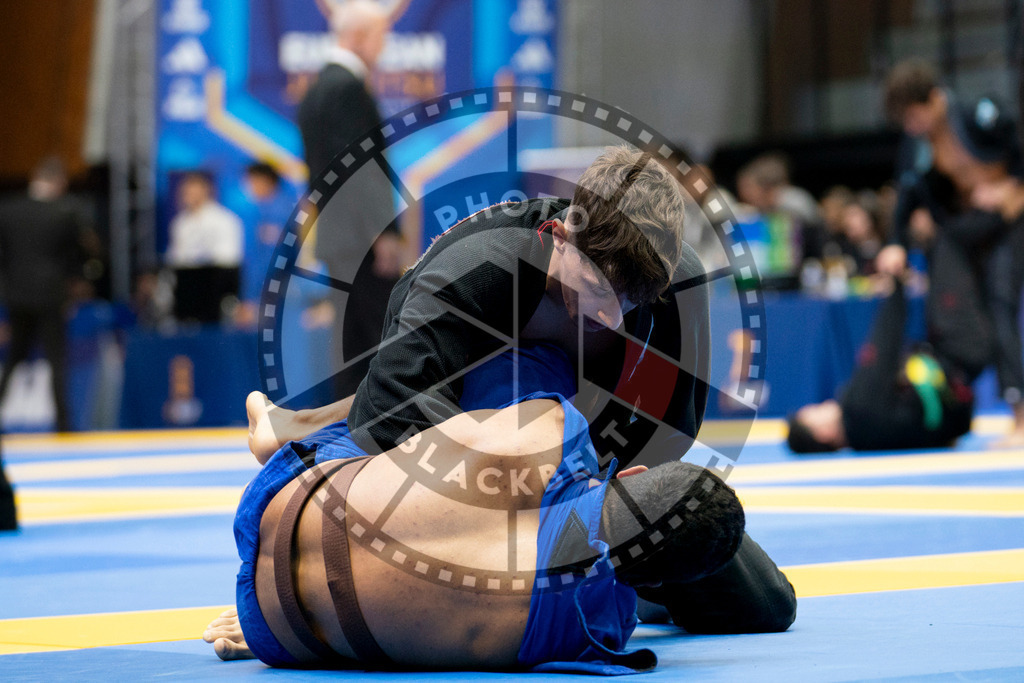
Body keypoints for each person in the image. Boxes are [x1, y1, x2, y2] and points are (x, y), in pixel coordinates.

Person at [204, 344, 749, 673]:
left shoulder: (553, 429)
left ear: (630, 474)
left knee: (520, 359)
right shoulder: (597, 631)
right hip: (278, 628)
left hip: (278, 498)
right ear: (650, 583)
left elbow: (430, 423)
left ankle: (293, 426)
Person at [880, 59, 1024, 446]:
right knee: (961, 317)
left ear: (935, 99)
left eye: (915, 116)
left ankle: (1021, 417)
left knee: (1001, 301)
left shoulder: (980, 115)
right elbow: (905, 197)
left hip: (1011, 219)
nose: (912, 126)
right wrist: (896, 243)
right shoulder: (918, 144)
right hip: (969, 231)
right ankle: (951, 404)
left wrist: (1013, 187)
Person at [297, 0, 408, 398]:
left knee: (352, 346)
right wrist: (384, 233)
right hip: (363, 240)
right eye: (381, 36)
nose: (384, 46)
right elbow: (360, 169)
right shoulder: (346, 89)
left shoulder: (318, 89)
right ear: (359, 36)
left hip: (340, 237)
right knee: (383, 340)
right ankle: (391, 424)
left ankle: (350, 430)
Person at [786, 275, 985, 453]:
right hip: (961, 360)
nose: (823, 404)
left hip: (958, 421)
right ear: (823, 433)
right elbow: (884, 342)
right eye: (816, 411)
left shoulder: (865, 444)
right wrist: (896, 284)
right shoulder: (857, 407)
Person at [0, 157, 91, 432]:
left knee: (13, 357)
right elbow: (78, 255)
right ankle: (63, 424)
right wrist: (74, 286)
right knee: (56, 359)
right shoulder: (66, 212)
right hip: (52, 295)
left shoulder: (8, 210)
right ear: (59, 183)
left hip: (17, 296)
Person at [165, 171, 244, 324]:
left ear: (206, 191)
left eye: (194, 192)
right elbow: (176, 257)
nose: (189, 197)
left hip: (215, 284)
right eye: (186, 193)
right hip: (187, 287)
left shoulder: (224, 220)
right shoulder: (180, 223)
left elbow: (229, 258)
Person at [236, 162, 296, 327]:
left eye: (251, 182)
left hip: (273, 293)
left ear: (265, 180)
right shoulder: (264, 209)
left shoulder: (278, 212)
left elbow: (271, 260)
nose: (249, 187)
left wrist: (253, 298)